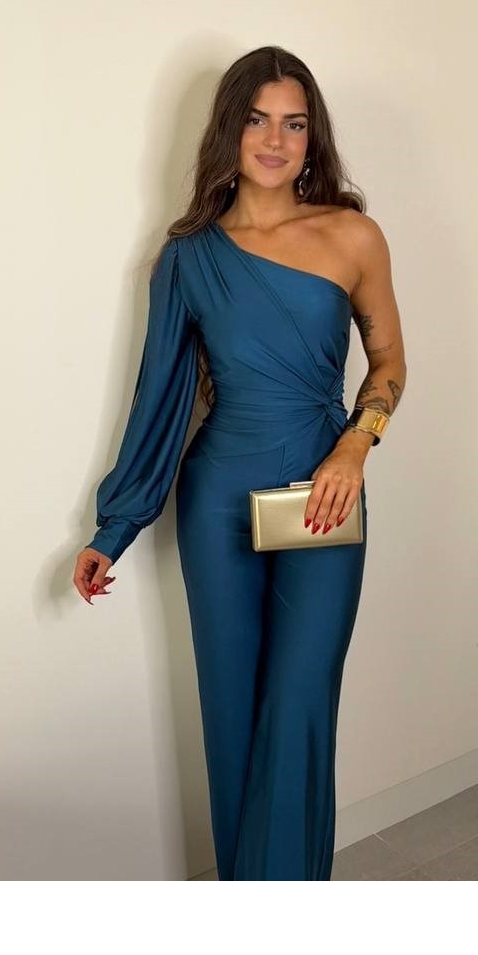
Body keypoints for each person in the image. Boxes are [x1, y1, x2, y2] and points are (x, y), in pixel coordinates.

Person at [71, 45, 406, 880]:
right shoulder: (189, 257)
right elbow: (159, 401)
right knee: (231, 713)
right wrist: (114, 528)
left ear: (312, 137)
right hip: (219, 502)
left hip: (324, 498)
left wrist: (354, 448)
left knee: (299, 705)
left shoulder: (352, 235)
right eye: (258, 120)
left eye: (294, 123)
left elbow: (390, 363)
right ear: (230, 128)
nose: (275, 139)